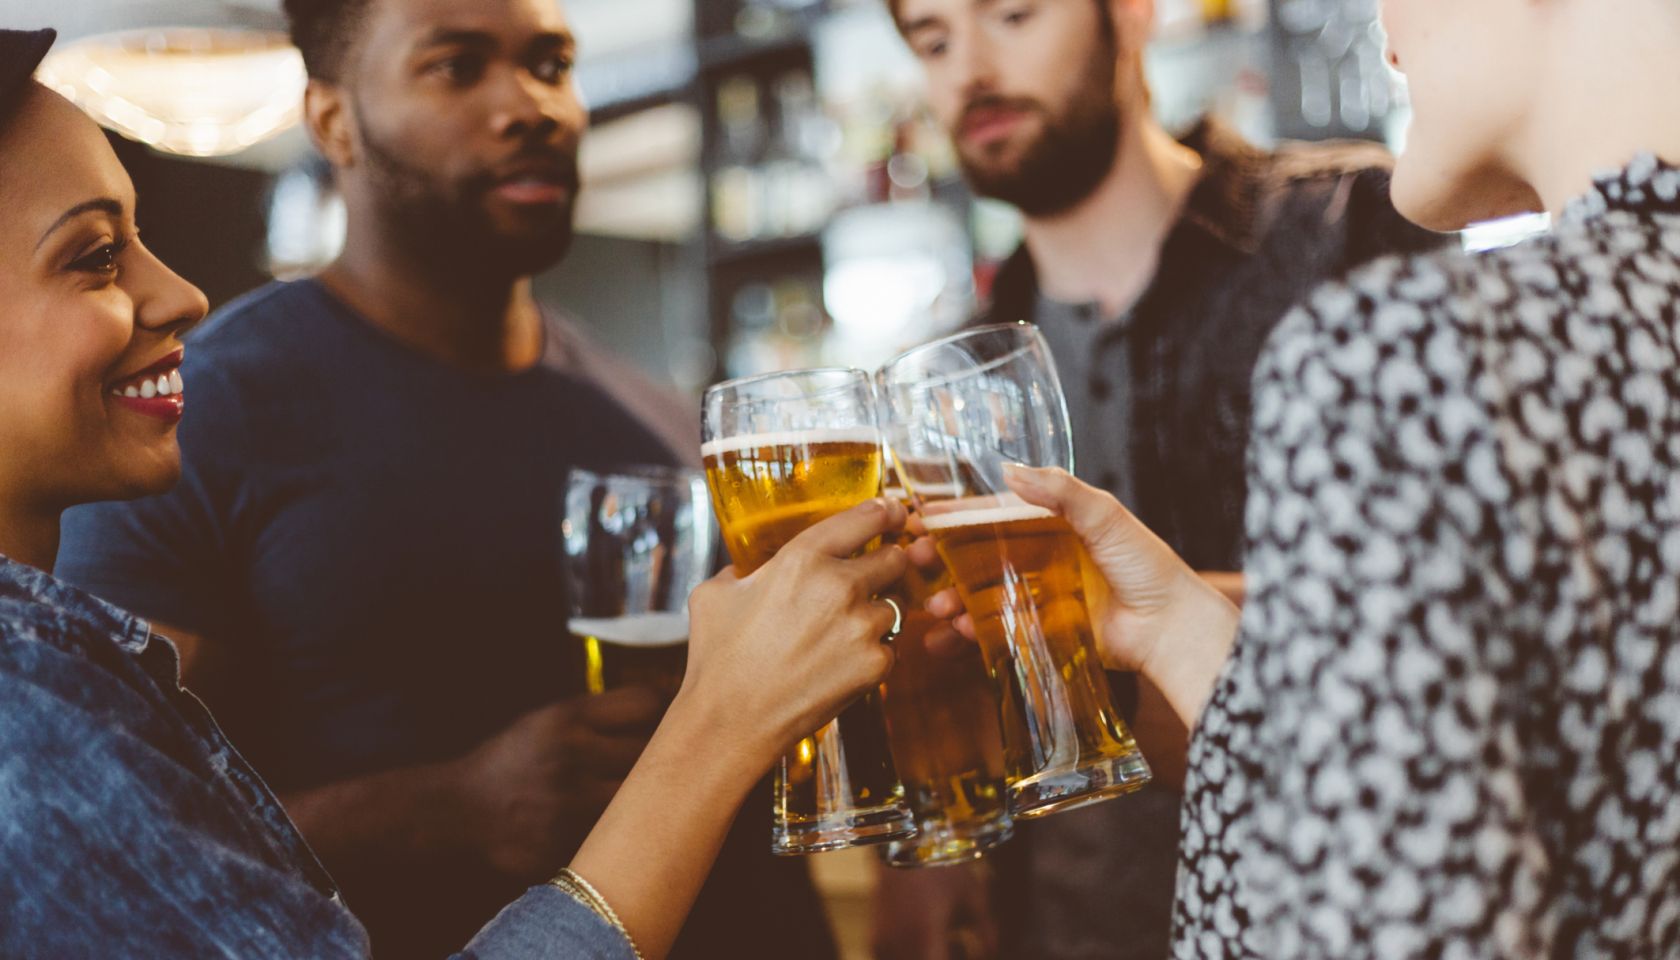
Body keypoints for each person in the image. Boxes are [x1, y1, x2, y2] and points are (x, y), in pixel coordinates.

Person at [0, 29, 908, 960]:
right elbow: (143, 834)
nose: (530, 105)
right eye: (455, 66)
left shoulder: (664, 418)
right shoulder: (181, 421)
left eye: (551, 65)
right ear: (331, 120)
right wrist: (447, 805)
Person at [919, 0, 1680, 953]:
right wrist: (1189, 637)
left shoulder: (1402, 341)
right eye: (932, 39)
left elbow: (1393, 914)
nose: (1383, 28)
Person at [878, 0, 1446, 955]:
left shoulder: (1355, 230)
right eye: (932, 39)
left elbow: (1459, 619)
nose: (968, 68)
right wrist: (936, 850)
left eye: (1012, 13)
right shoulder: (942, 374)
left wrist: (1129, 633)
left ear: (1131, 14)